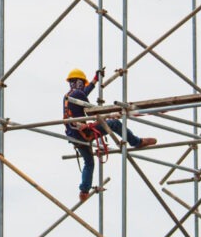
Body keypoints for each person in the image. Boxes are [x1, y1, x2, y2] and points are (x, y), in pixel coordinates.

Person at [63, 68, 157, 202]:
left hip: (74, 136)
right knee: (114, 123)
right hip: (83, 132)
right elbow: (91, 109)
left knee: (89, 162)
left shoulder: (68, 96)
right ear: (79, 82)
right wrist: (108, 114)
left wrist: (95, 80)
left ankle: (84, 190)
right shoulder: (78, 94)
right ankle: (136, 141)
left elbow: (85, 92)